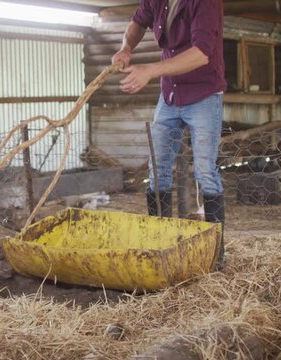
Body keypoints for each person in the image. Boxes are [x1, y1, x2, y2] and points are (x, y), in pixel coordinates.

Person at [111, 0, 226, 268]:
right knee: (157, 169)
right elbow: (138, 21)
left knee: (205, 172)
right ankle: (159, 244)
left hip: (204, 93)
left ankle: (216, 254)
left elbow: (201, 53)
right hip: (171, 94)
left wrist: (150, 70)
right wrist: (126, 48)